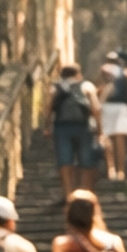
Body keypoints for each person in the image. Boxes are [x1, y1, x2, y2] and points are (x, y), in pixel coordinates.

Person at [47, 63, 99, 203]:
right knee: (86, 160)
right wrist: (100, 130)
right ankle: (85, 193)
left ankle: (69, 193)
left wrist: (47, 126)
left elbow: (48, 107)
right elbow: (96, 108)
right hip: (84, 126)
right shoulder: (87, 86)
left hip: (61, 127)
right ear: (78, 74)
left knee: (65, 160)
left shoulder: (56, 87)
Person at [97, 48, 127, 182]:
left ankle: (110, 168)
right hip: (121, 106)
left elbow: (100, 87)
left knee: (107, 136)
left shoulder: (103, 69)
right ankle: (121, 171)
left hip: (106, 105)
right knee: (120, 138)